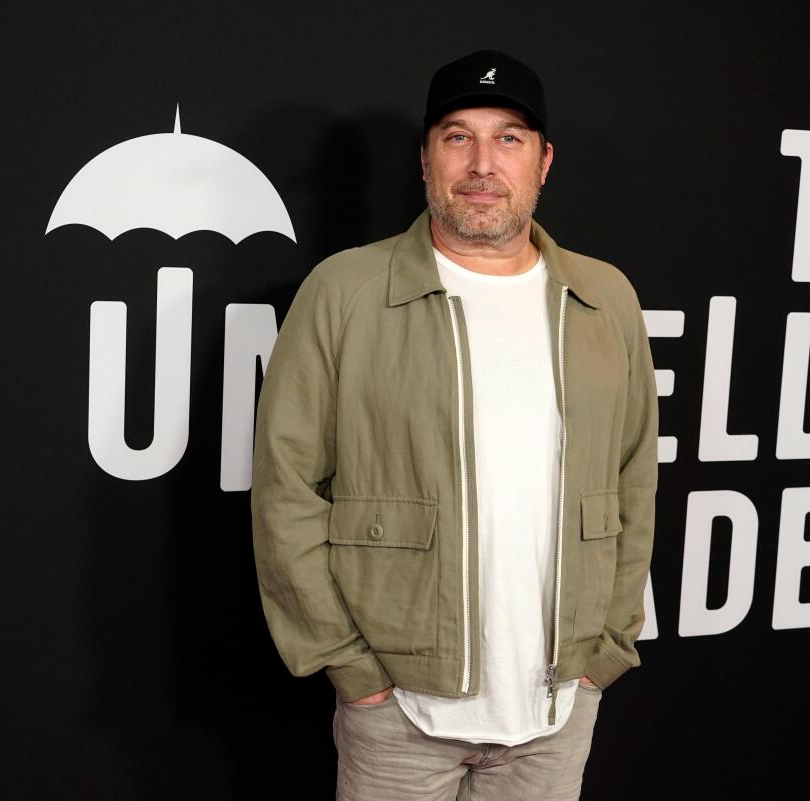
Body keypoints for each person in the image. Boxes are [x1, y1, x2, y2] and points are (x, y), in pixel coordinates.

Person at [250, 49, 659, 801]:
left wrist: (607, 651)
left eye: (508, 138)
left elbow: (636, 478)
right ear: (426, 159)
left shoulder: (607, 297)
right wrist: (352, 669)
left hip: (556, 709)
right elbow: (286, 488)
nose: (481, 163)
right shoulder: (345, 291)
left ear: (544, 162)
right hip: (400, 714)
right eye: (457, 136)